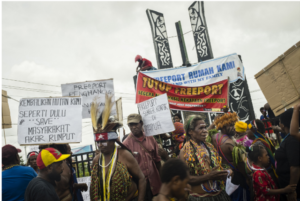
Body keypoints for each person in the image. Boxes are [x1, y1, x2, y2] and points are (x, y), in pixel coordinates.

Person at [89, 97, 146, 201]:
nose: (100, 145)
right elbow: (94, 187)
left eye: (103, 141)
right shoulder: (96, 161)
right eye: (98, 142)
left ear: (112, 139)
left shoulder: (124, 155)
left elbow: (142, 178)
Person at [179, 115, 232, 201]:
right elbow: (187, 178)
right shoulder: (185, 151)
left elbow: (219, 165)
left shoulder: (210, 146)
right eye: (200, 128)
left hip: (219, 194)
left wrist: (226, 172)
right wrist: (209, 176)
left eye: (205, 127)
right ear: (190, 131)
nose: (205, 131)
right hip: (200, 197)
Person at [211, 112, 251, 201]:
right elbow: (240, 164)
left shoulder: (214, 136)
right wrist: (247, 177)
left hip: (224, 174)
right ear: (223, 126)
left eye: (234, 125)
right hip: (236, 177)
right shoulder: (230, 143)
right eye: (231, 125)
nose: (234, 128)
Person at [123, 113, 162, 201]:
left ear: (141, 123)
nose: (133, 127)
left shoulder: (151, 138)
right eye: (131, 125)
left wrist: (162, 179)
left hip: (155, 182)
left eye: (136, 124)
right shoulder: (126, 144)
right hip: (139, 186)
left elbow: (157, 160)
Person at [275, 108, 300, 201]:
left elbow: (295, 167)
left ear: (284, 123)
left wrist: (292, 191)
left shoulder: (292, 141)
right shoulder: (289, 138)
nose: (279, 124)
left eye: (280, 121)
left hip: (295, 192)